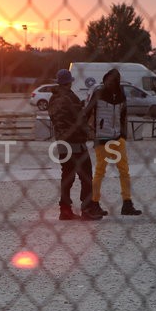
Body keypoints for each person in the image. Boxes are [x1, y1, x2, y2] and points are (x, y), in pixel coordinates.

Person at [47, 69, 103, 221]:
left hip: (62, 143)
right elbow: (81, 120)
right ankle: (87, 209)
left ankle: (65, 210)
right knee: (86, 176)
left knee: (67, 177)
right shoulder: (71, 97)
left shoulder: (53, 99)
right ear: (70, 82)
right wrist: (92, 135)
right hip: (76, 143)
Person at [85, 68, 142, 216]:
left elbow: (123, 115)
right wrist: (89, 132)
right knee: (100, 171)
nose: (110, 83)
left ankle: (127, 203)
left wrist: (123, 135)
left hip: (117, 138)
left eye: (113, 81)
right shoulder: (98, 93)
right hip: (101, 138)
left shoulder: (121, 95)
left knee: (124, 171)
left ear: (117, 82)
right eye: (108, 80)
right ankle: (94, 202)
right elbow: (87, 112)